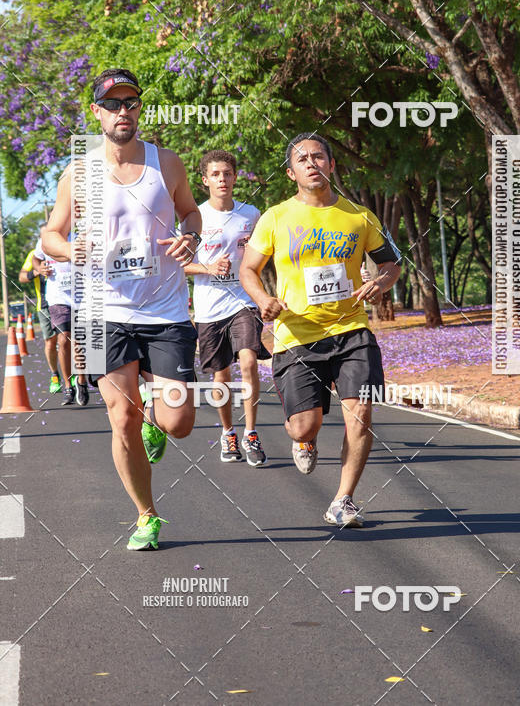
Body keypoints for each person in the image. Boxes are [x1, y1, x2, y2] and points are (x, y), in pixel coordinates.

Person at [42, 68, 202, 551]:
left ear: (139, 109)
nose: (123, 111)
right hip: (101, 311)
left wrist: (190, 236)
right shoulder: (81, 172)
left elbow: (191, 211)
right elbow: (51, 235)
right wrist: (73, 250)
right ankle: (146, 516)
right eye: (113, 105)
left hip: (166, 308)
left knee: (179, 421)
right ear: (97, 113)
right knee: (121, 416)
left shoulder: (166, 162)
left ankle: (158, 423)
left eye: (130, 102)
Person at [240, 133, 401, 527]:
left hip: (352, 330)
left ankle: (343, 500)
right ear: (291, 172)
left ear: (331, 164)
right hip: (297, 335)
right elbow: (248, 270)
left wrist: (381, 284)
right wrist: (264, 301)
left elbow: (391, 264)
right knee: (303, 425)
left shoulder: (359, 216)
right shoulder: (276, 217)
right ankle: (306, 439)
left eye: (318, 156)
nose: (311, 163)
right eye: (302, 159)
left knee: (360, 414)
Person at [184, 149, 270, 467]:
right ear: (205, 180)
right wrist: (207, 268)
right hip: (208, 309)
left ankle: (250, 432)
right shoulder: (195, 218)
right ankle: (228, 432)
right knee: (221, 375)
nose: (223, 179)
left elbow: (263, 255)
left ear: (235, 177)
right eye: (216, 174)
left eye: (228, 173)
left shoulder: (252, 214)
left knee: (248, 360)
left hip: (243, 301)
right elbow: (179, 266)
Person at [34, 232, 89, 406]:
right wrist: (39, 268)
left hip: (82, 296)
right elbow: (36, 259)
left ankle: (81, 381)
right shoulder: (46, 239)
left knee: (78, 341)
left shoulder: (81, 235)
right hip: (58, 298)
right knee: (64, 338)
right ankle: (67, 386)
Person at [18, 230, 60, 394]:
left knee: (69, 340)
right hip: (45, 304)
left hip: (68, 302)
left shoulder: (65, 247)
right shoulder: (34, 255)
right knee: (51, 341)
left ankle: (76, 378)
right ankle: (55, 375)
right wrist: (37, 271)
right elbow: (22, 277)